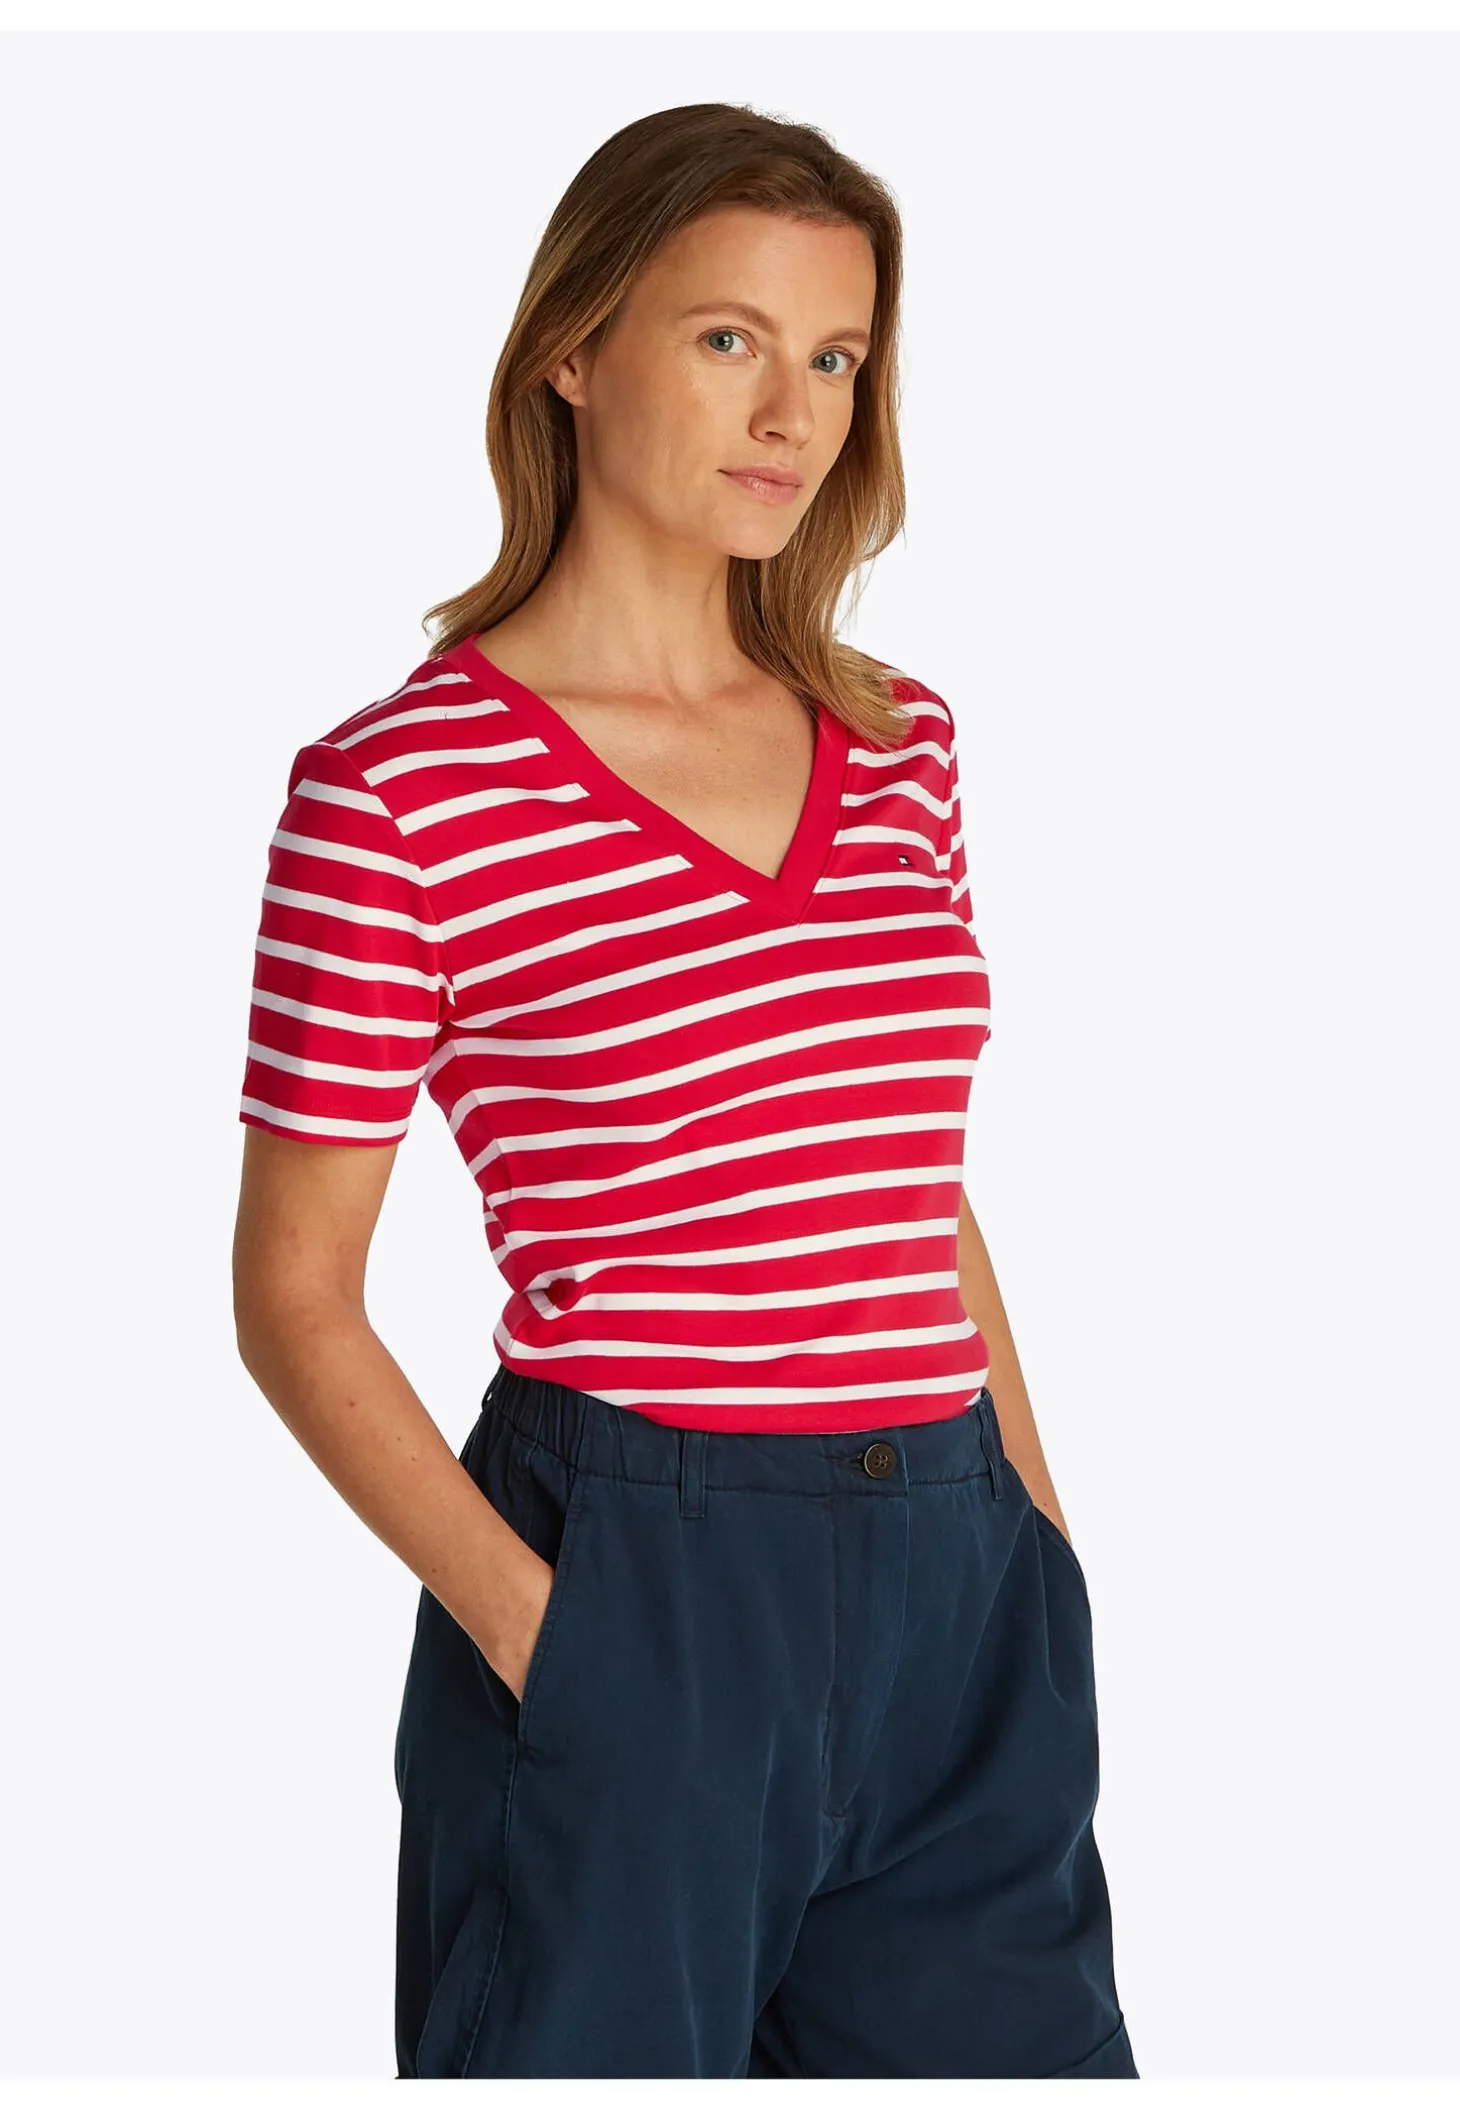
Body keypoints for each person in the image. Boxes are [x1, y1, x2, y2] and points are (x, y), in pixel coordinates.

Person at [231, 100, 1138, 2081]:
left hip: (955, 1574)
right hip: (639, 1559)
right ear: (573, 349)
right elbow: (293, 1295)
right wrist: (546, 1639)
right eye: (729, 338)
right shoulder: (400, 791)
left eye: (837, 356)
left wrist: (1036, 1548)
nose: (791, 412)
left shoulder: (896, 743)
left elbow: (906, 1175)